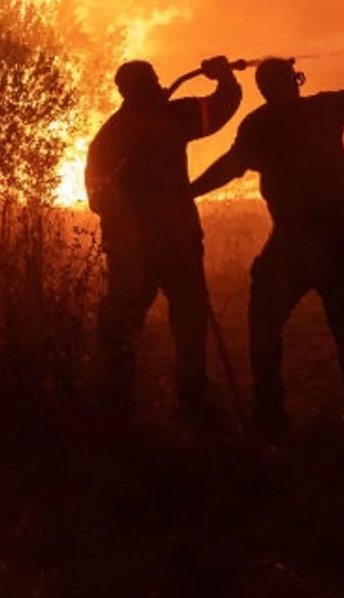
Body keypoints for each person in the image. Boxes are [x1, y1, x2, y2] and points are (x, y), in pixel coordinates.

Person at [188, 56, 344, 431]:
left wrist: (189, 191)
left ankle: (271, 414)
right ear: (295, 81)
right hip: (343, 236)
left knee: (265, 318)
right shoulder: (323, 109)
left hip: (295, 241)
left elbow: (231, 166)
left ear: (263, 89)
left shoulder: (260, 125)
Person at [85, 55, 242, 425]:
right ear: (134, 89)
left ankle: (125, 394)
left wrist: (225, 79)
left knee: (147, 317)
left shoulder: (120, 133)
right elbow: (98, 195)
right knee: (171, 315)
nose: (159, 85)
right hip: (161, 243)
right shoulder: (167, 120)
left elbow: (218, 109)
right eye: (151, 80)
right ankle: (161, 394)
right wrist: (223, 78)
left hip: (152, 245)